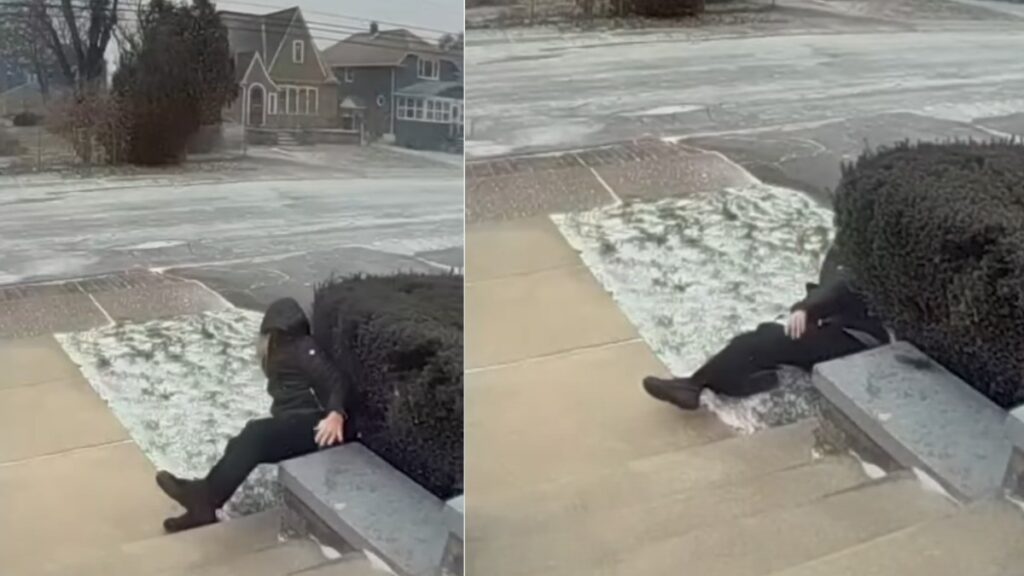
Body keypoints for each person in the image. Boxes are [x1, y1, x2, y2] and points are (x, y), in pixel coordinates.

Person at [155, 297, 353, 533]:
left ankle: (203, 500)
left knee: (255, 435)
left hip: (317, 427)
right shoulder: (280, 350)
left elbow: (335, 381)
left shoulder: (302, 347)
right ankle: (203, 499)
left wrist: (335, 414)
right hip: (295, 422)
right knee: (242, 442)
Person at [643, 246, 888, 411]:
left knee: (764, 340)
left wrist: (807, 308)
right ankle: (733, 380)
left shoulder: (868, 245)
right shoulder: (851, 238)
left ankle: (695, 386)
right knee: (767, 334)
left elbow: (845, 284)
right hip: (834, 323)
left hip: (858, 340)